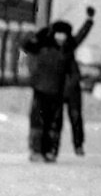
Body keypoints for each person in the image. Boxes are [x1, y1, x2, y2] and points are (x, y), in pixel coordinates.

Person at [21, 21, 74, 162]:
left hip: (56, 93)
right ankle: (36, 151)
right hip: (40, 90)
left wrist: (89, 22)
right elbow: (25, 45)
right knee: (38, 122)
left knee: (53, 124)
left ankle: (50, 151)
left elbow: (77, 39)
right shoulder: (42, 47)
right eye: (58, 34)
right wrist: (36, 34)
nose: (61, 38)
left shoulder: (66, 51)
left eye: (64, 35)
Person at [60, 6, 96, 156]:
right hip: (58, 87)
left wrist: (89, 20)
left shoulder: (70, 45)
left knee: (76, 117)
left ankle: (78, 146)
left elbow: (81, 34)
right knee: (55, 119)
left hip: (73, 87)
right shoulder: (50, 48)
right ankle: (52, 147)